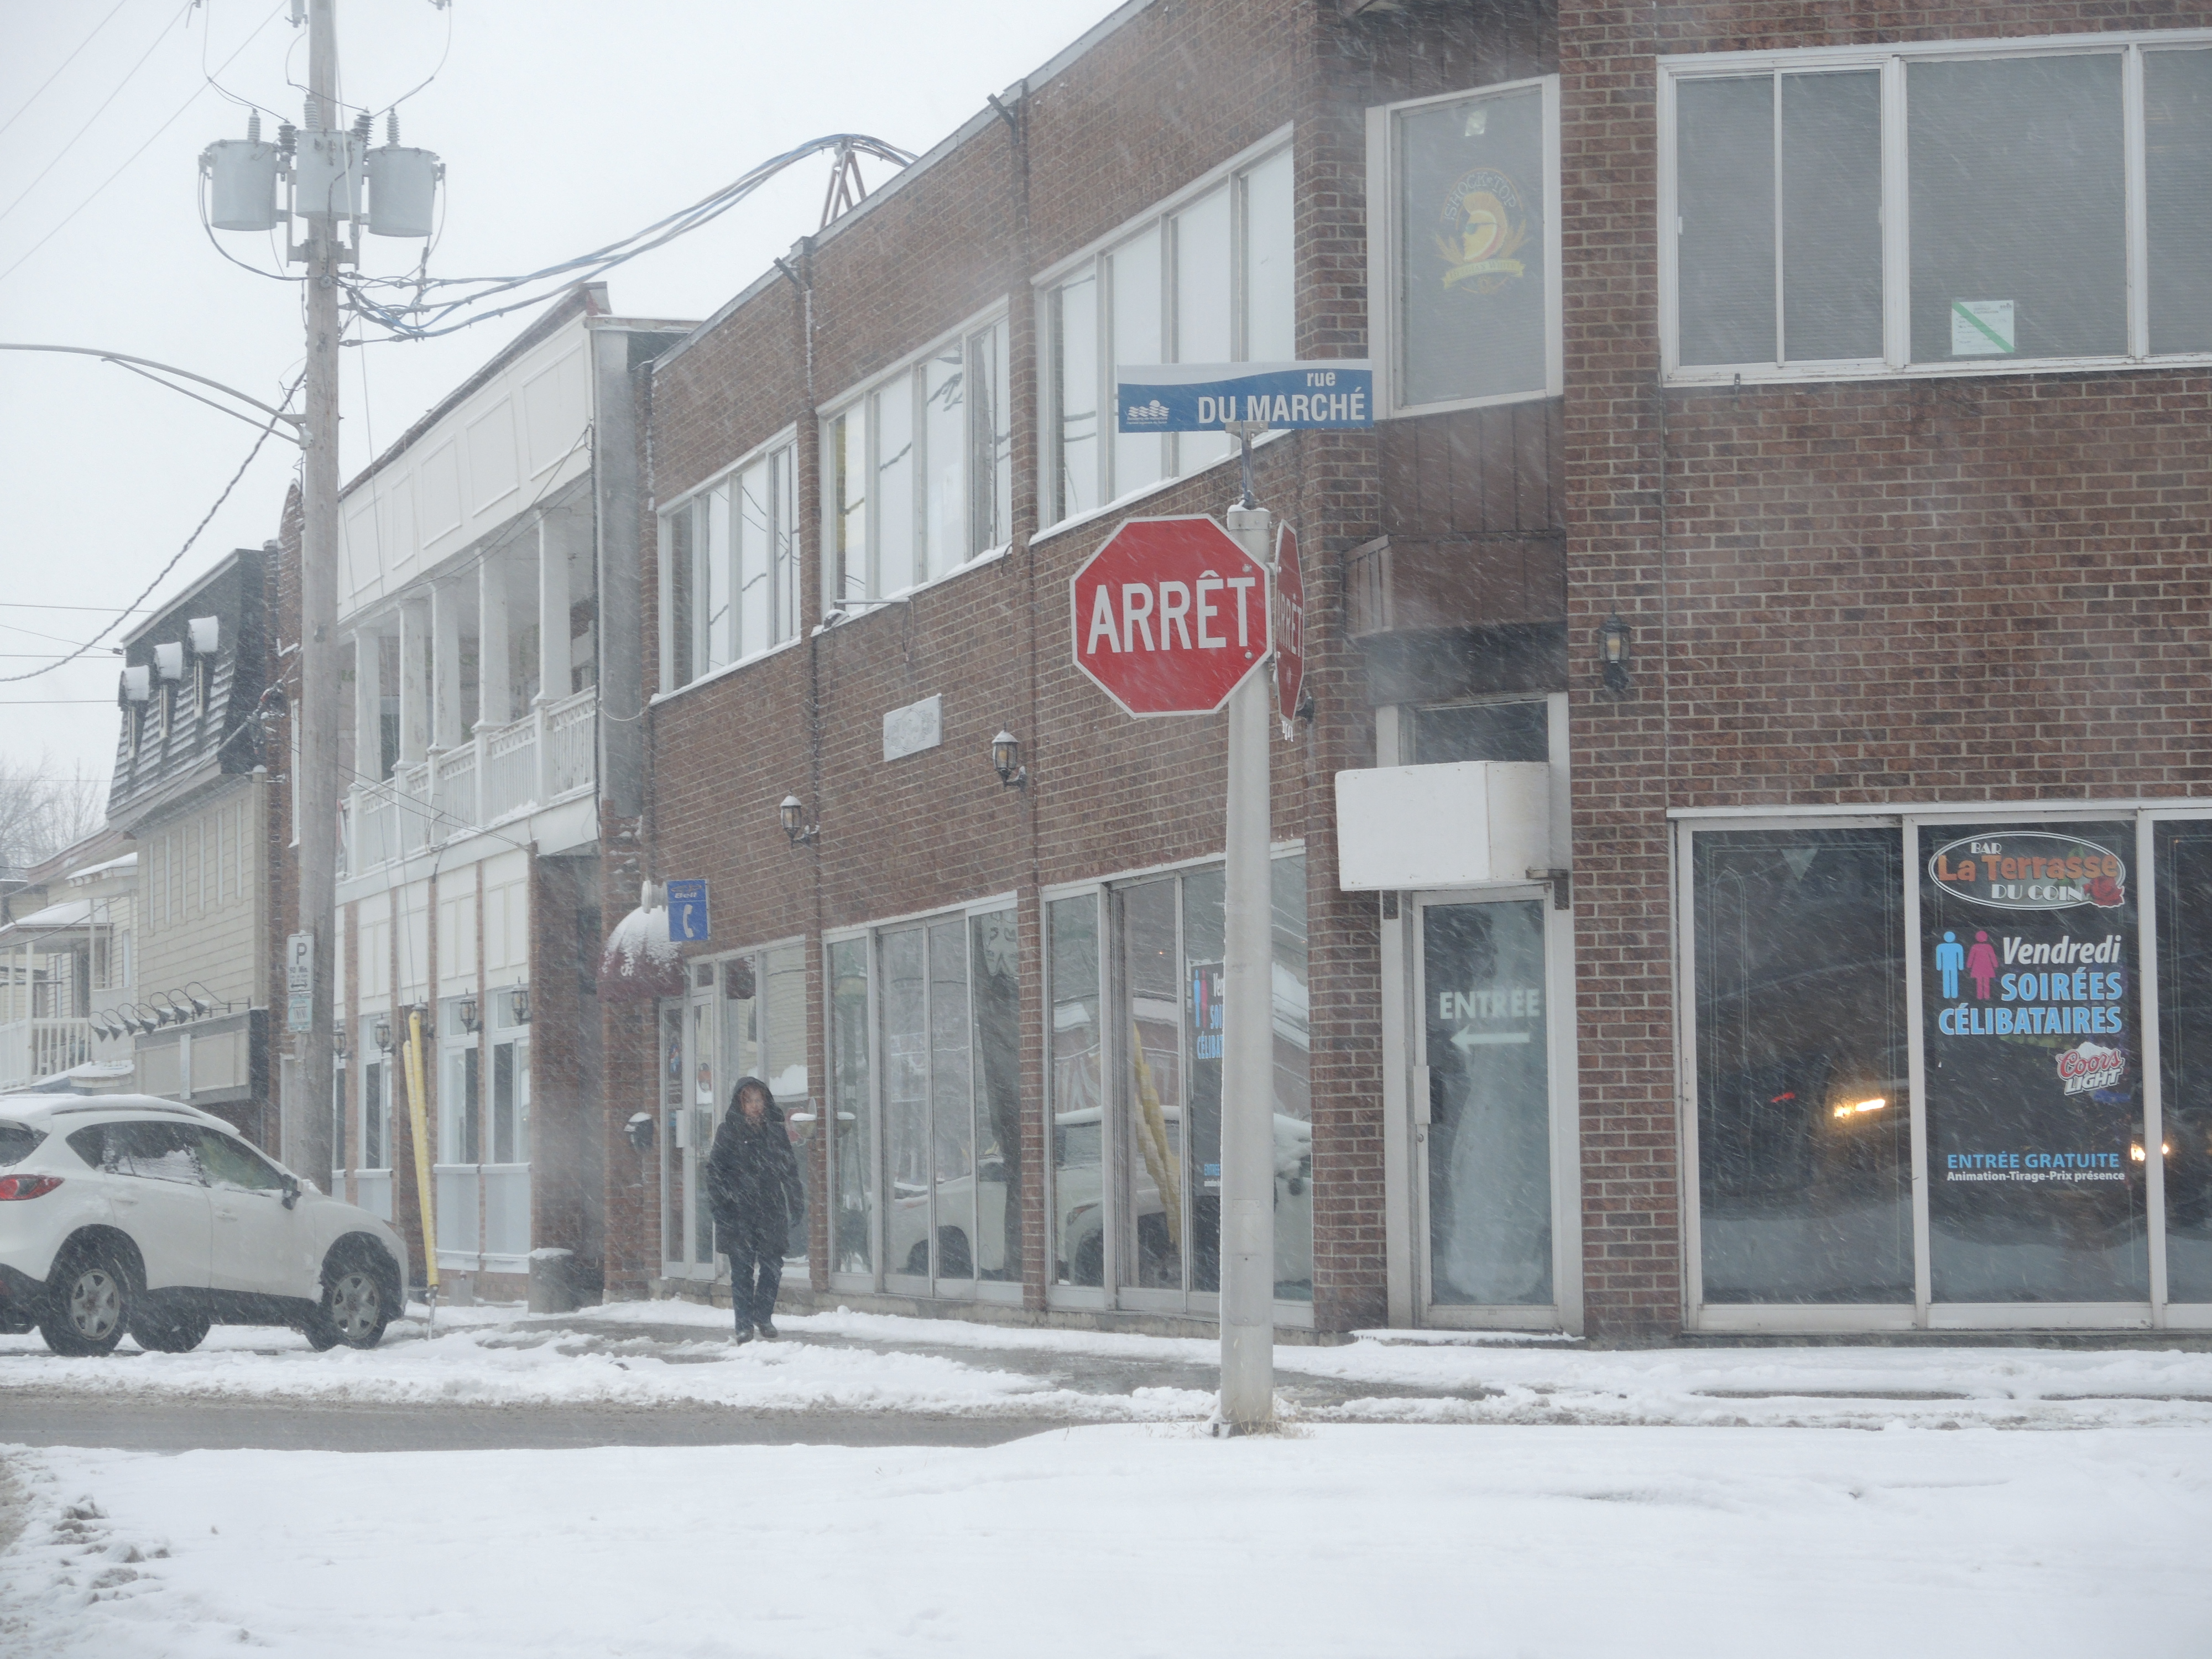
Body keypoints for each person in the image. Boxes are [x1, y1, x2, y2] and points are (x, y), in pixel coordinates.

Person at [705, 1076, 804, 1343]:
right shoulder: (728, 1131)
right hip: (740, 1211)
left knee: (772, 1267)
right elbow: (715, 1171)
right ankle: (744, 1325)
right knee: (742, 1270)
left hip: (771, 1208)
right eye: (749, 1101)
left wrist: (795, 1199)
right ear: (740, 1104)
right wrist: (723, 1203)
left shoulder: (775, 1132)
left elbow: (789, 1169)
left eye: (759, 1100)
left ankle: (764, 1316)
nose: (755, 1106)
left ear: (766, 1101)